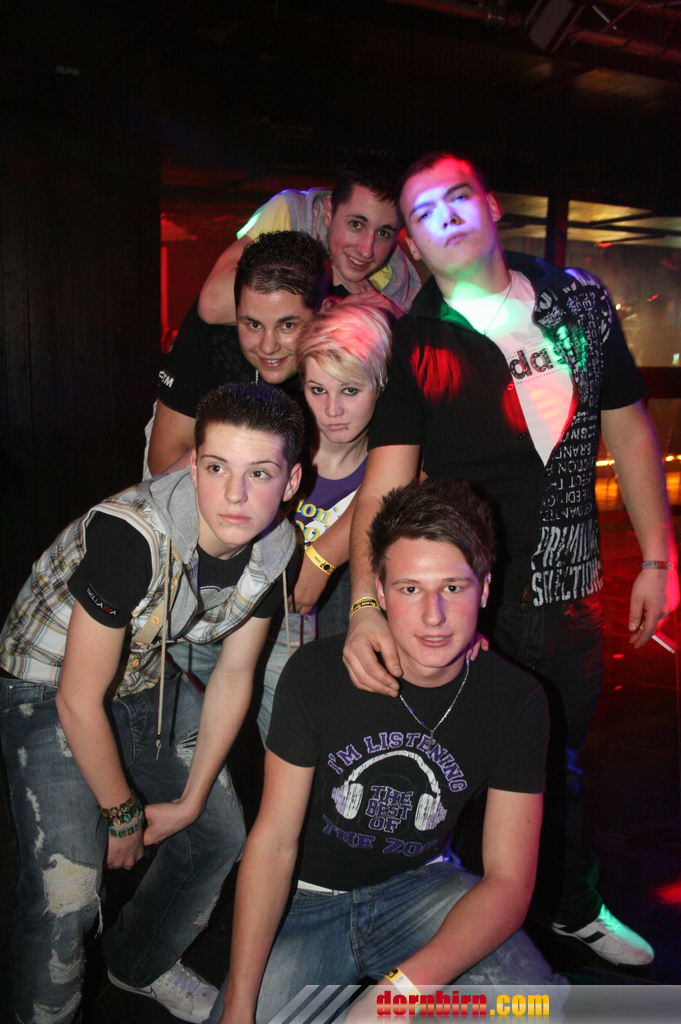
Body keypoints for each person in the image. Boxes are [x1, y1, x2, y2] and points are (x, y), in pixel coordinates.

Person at [343, 151, 680, 966]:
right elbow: (385, 488)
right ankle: (450, 925)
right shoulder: (414, 340)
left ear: (490, 205)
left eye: (457, 196)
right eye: (424, 213)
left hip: (571, 591)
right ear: (412, 244)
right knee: (453, 772)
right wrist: (365, 605)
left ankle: (569, 907)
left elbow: (628, 425)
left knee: (562, 770)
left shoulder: (578, 301)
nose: (446, 216)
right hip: (466, 603)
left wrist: (658, 559)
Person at [0, 383, 304, 1024]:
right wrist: (121, 814)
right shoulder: (131, 534)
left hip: (139, 673)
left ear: (292, 480)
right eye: (217, 468)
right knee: (68, 893)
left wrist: (190, 801)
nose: (235, 495)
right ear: (193, 464)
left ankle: (137, 961)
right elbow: (77, 698)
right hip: (45, 680)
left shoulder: (279, 548)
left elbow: (234, 675)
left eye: (259, 473)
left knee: (219, 835)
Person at [208, 479, 560, 1024]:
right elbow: (273, 843)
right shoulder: (317, 674)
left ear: (485, 589)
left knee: (535, 1007)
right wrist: (238, 1006)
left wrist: (400, 993)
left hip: (419, 889)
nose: (434, 616)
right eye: (410, 589)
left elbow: (510, 882)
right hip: (305, 900)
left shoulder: (516, 700)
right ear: (379, 589)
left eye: (453, 587)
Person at [255, 292, 396, 742]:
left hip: (341, 633)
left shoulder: (394, 462)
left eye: (350, 390)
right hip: (263, 628)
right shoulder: (277, 443)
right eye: (318, 390)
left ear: (381, 384)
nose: (332, 410)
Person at [146, 231, 326, 477]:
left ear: (321, 315)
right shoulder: (211, 335)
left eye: (287, 325)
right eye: (253, 324)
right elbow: (165, 461)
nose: (268, 347)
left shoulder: (342, 357)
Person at [197, 156, 422, 327]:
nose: (366, 250)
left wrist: (391, 315)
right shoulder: (292, 214)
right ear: (328, 212)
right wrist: (324, 282)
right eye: (356, 224)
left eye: (383, 233)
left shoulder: (398, 284)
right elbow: (213, 306)